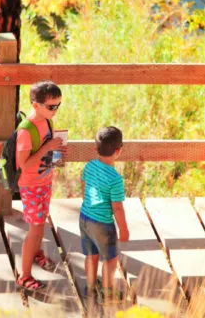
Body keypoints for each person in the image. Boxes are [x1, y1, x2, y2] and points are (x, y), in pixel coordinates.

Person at [16, 80, 66, 291]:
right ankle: (25, 276)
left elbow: (46, 151)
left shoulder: (46, 121)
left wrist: (57, 153)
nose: (55, 110)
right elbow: (24, 164)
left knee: (41, 222)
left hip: (44, 181)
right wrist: (48, 147)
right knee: (35, 228)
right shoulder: (26, 130)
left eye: (58, 106)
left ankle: (37, 253)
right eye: (51, 106)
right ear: (36, 106)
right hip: (31, 186)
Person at [79, 126, 129, 300]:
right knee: (110, 259)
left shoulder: (90, 166)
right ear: (118, 151)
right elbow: (117, 208)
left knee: (91, 255)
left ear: (96, 148)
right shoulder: (115, 179)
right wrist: (124, 229)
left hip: (85, 216)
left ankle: (90, 288)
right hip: (102, 223)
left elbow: (84, 188)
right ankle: (108, 293)